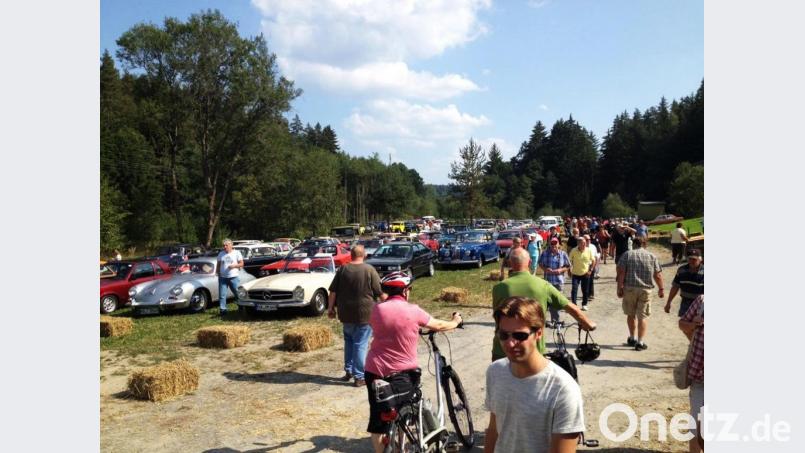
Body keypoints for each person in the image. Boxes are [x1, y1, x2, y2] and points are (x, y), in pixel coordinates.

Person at [363, 271, 462, 453]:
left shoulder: (376, 310)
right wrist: (455, 321)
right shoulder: (413, 311)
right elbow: (438, 325)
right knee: (405, 410)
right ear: (406, 292)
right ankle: (403, 445)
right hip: (403, 373)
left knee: (379, 418)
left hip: (374, 370)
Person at [484, 296, 585, 452]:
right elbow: (493, 429)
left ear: (539, 333)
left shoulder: (562, 389)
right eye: (504, 335)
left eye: (520, 336)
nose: (510, 343)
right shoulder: (495, 372)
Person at [491, 248, 595, 361]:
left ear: (510, 263)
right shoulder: (543, 285)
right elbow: (569, 307)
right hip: (533, 350)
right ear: (530, 262)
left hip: (502, 350)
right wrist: (587, 323)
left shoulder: (498, 288)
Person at [327, 245, 386, 387]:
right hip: (365, 314)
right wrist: (392, 303)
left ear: (351, 255)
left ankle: (349, 370)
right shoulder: (369, 269)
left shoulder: (342, 270)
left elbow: (333, 291)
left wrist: (330, 308)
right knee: (360, 344)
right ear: (364, 255)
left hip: (346, 313)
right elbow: (379, 292)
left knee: (349, 342)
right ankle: (359, 376)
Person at [616, 236, 664, 351]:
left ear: (634, 244)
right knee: (642, 316)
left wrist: (619, 288)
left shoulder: (627, 254)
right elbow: (657, 275)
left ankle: (632, 338)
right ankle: (640, 342)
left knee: (630, 314)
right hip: (645, 290)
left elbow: (621, 272)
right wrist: (661, 288)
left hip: (630, 289)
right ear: (645, 244)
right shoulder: (652, 256)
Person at [678, 294, 704, 453]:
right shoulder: (702, 301)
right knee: (696, 425)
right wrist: (693, 325)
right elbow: (682, 324)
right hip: (700, 378)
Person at [537, 238, 571, 327]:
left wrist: (561, 270)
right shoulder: (545, 253)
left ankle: (555, 321)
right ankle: (541, 321)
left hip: (558, 282)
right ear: (549, 245)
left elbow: (568, 265)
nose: (553, 246)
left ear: (558, 244)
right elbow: (539, 263)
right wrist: (545, 269)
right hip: (547, 281)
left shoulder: (563, 254)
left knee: (556, 302)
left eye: (555, 244)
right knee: (545, 302)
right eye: (552, 244)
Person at [665, 249, 704, 317]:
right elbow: (675, 287)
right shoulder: (682, 270)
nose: (691, 261)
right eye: (690, 259)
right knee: (684, 324)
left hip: (700, 304)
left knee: (699, 325)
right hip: (685, 302)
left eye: (694, 259)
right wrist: (668, 302)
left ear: (700, 259)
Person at [216, 239, 244, 317]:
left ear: (231, 245)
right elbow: (218, 264)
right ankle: (223, 310)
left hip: (233, 277)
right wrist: (217, 272)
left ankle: (241, 306)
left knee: (237, 293)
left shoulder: (237, 253)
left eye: (226, 245)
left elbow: (242, 264)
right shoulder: (221, 254)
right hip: (222, 277)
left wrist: (234, 266)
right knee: (222, 295)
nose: (225, 247)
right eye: (223, 245)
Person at [569, 237, 595, 310]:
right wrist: (569, 270)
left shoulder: (588, 250)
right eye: (582, 243)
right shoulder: (574, 250)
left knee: (585, 290)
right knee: (574, 289)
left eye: (585, 243)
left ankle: (584, 304)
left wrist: (591, 270)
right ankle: (574, 305)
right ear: (578, 244)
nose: (584, 244)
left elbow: (593, 260)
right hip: (575, 274)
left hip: (585, 273)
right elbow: (569, 260)